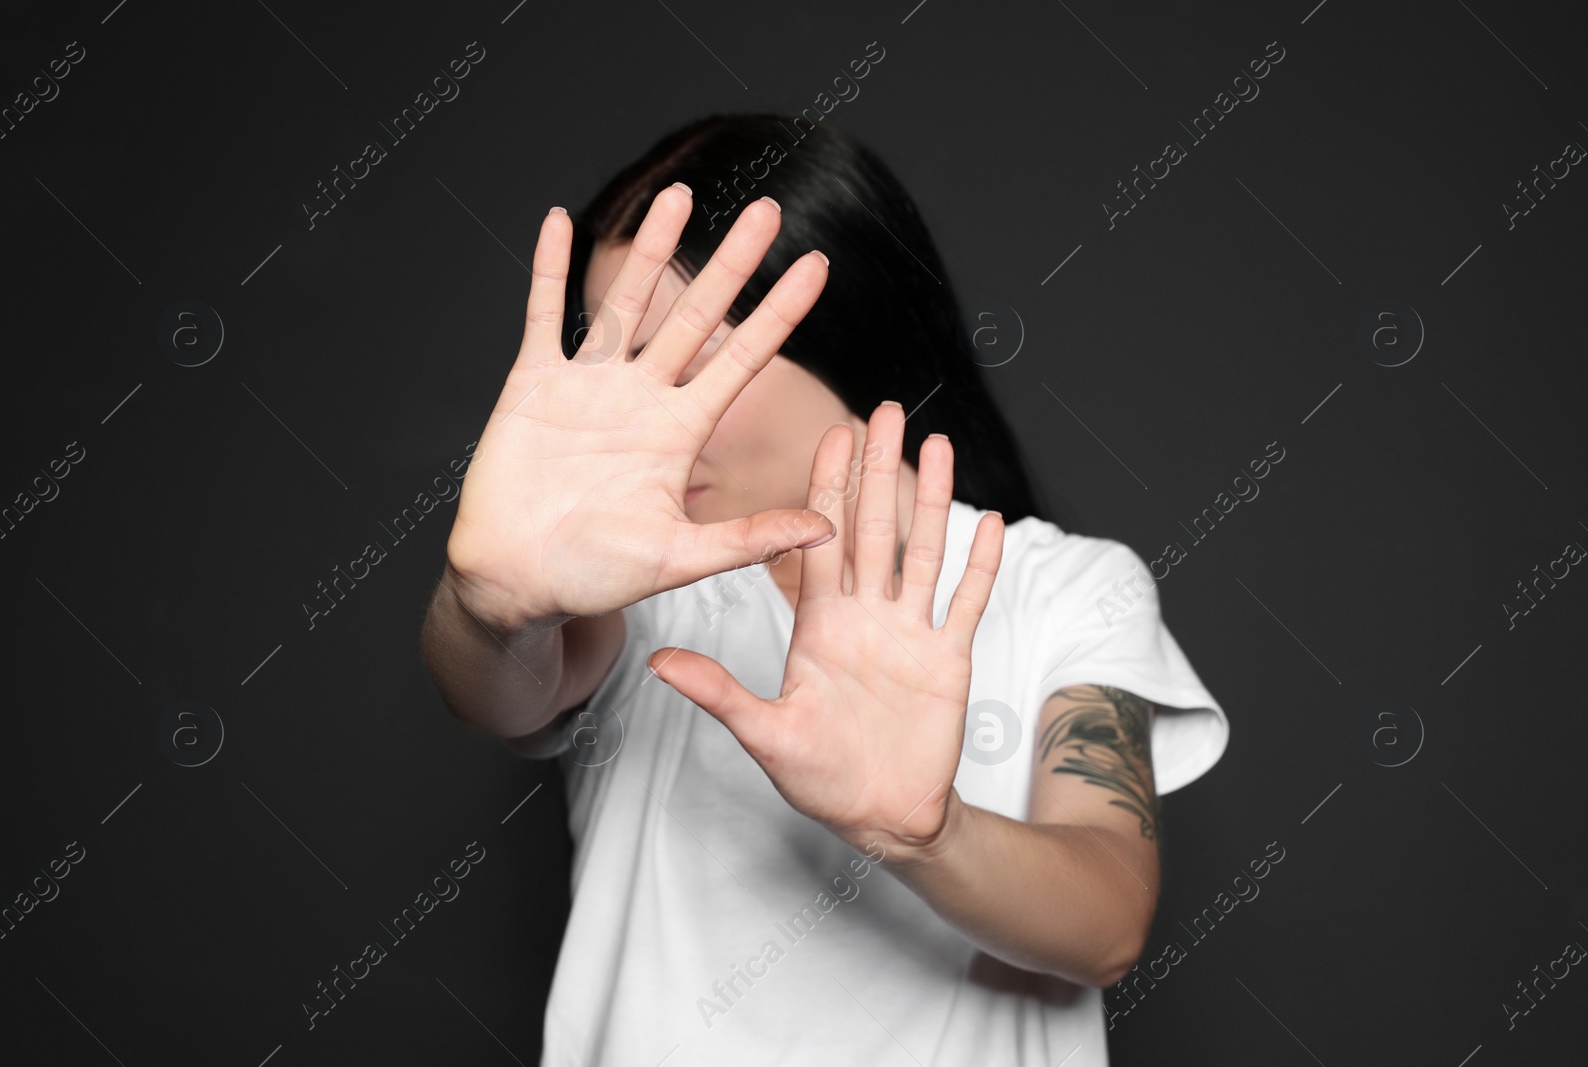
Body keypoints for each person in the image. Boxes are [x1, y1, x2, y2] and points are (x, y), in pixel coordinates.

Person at [420, 112, 1229, 1066]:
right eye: (619, 355)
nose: (646, 411)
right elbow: (500, 688)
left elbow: (1106, 922)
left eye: (688, 353)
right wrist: (489, 600)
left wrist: (928, 834)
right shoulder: (634, 593)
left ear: (848, 330)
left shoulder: (1066, 586)